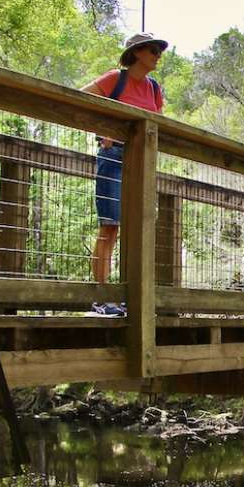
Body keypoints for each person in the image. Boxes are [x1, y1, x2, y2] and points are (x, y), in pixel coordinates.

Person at [81, 32, 167, 316]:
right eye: (153, 50)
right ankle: (102, 297)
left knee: (138, 229)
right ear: (137, 52)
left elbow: (158, 124)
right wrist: (104, 129)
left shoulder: (154, 89)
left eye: (159, 51)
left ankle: (134, 297)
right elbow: (79, 100)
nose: (158, 55)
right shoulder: (114, 79)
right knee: (110, 226)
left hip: (142, 161)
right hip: (114, 156)